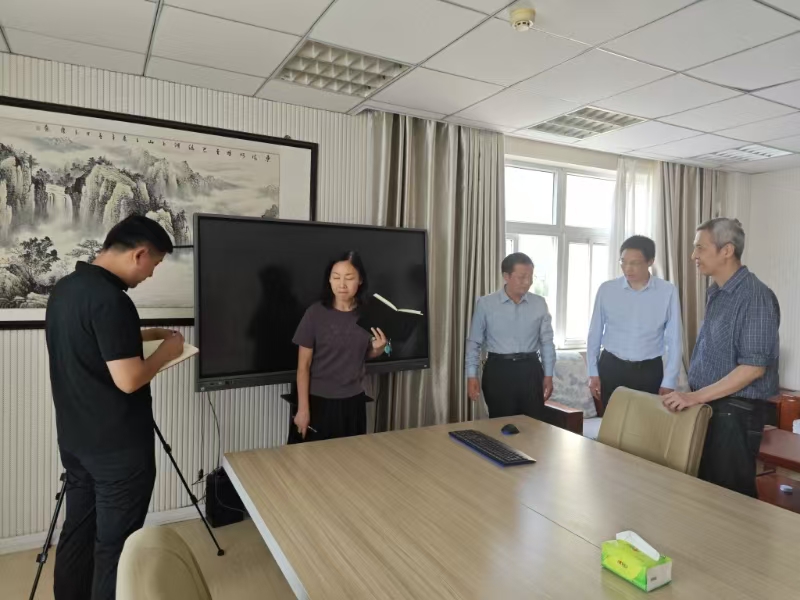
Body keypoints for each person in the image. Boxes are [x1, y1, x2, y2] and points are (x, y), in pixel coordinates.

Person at [45, 215, 185, 600]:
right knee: (114, 547)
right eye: (154, 264)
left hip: (76, 440)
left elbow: (94, 339)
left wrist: (150, 335)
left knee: (78, 531)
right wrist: (168, 351)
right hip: (118, 452)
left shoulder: (66, 289)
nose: (151, 274)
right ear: (139, 254)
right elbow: (129, 379)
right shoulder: (113, 300)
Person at [663, 218, 779, 497]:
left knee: (730, 500)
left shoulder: (755, 296)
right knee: (705, 495)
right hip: (711, 406)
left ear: (727, 250)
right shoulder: (717, 291)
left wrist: (694, 397)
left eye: (700, 248)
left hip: (735, 414)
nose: (693, 255)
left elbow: (753, 368)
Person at [291, 251, 387, 442]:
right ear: (329, 280)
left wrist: (379, 349)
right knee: (308, 458)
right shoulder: (315, 313)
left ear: (360, 280)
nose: (342, 284)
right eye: (336, 277)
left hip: (353, 402)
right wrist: (303, 409)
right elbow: (303, 367)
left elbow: (364, 354)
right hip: (317, 401)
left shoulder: (368, 313)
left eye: (349, 278)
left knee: (350, 458)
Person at [587, 235, 683, 409]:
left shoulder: (667, 291)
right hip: (612, 367)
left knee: (645, 422)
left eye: (635, 263)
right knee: (613, 421)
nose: (627, 268)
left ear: (650, 261)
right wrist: (593, 373)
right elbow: (595, 333)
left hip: (648, 370)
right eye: (623, 262)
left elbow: (674, 339)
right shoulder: (607, 290)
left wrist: (669, 380)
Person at [466, 252, 555, 419]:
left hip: (531, 369)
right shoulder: (486, 304)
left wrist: (548, 375)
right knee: (501, 426)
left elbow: (547, 342)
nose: (527, 282)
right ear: (506, 276)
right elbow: (474, 343)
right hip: (499, 371)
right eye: (521, 277)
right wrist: (472, 376)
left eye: (530, 277)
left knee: (534, 425)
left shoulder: (539, 303)